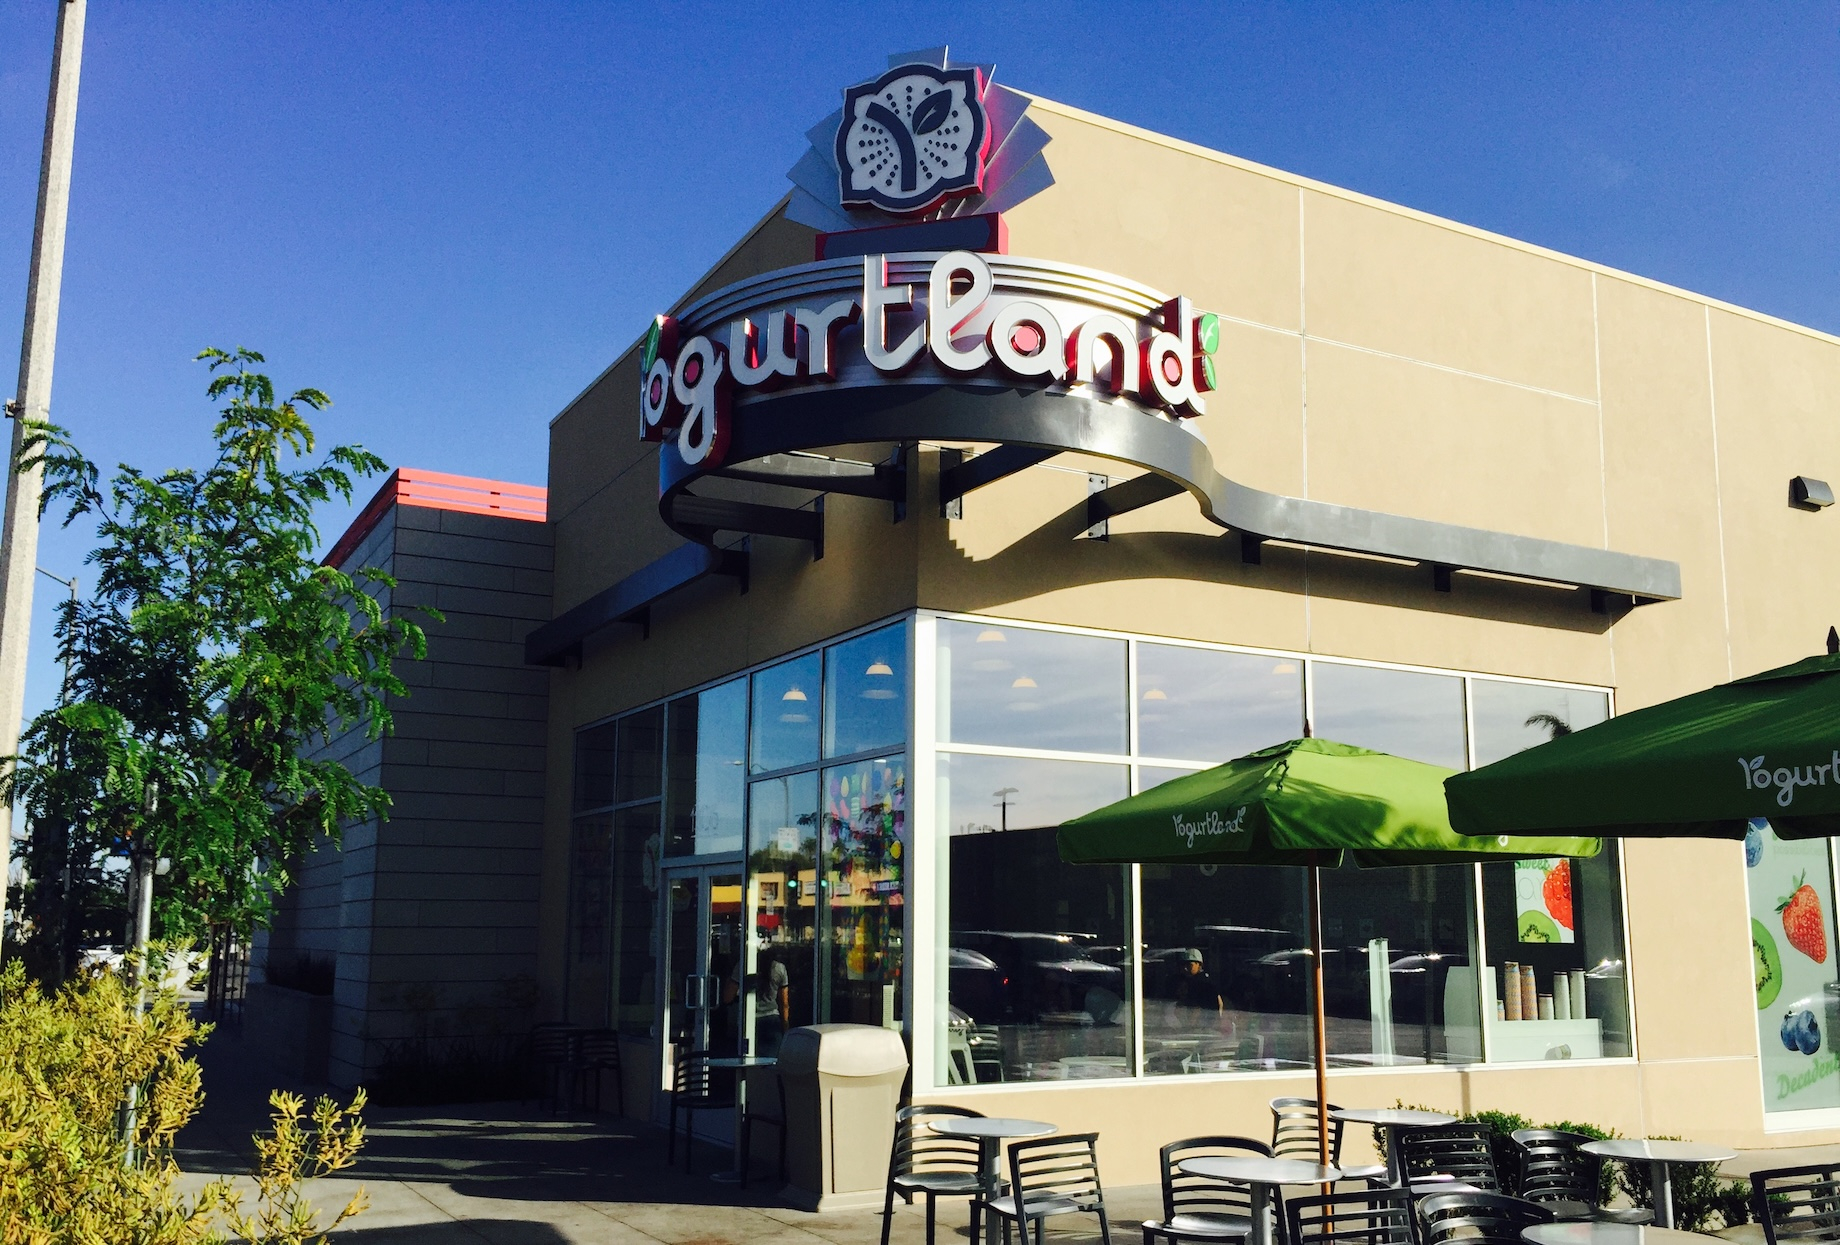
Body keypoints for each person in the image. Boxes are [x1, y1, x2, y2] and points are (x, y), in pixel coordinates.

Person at [730, 951, 791, 1057]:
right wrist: (785, 1026)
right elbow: (784, 1003)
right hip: (772, 1020)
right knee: (772, 1063)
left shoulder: (742, 966)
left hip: (748, 1021)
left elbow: (728, 997)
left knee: (748, 1059)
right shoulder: (779, 968)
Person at [1170, 948, 1223, 1015]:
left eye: (1189, 965)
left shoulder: (1206, 984)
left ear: (1199, 965)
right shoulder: (1178, 980)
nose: (1185, 968)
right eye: (1183, 965)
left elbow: (1218, 1004)